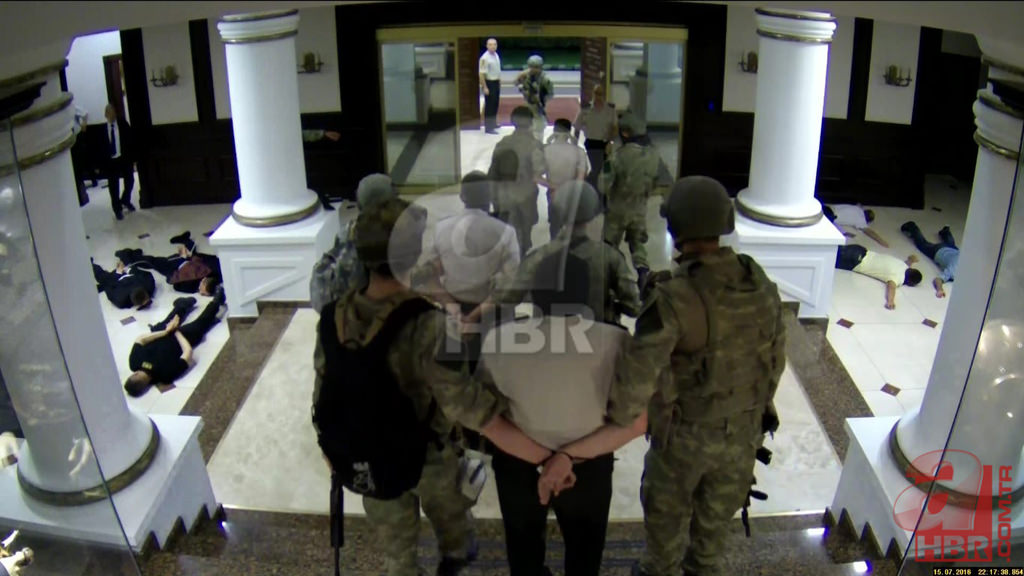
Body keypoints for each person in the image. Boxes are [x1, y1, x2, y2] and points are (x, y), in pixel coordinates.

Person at [312, 198, 558, 576]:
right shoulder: (429, 324)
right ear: (411, 255)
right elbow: (463, 404)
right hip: (428, 454)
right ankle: (455, 562)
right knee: (454, 531)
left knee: (397, 555)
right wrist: (532, 444)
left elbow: (322, 388)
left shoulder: (334, 316)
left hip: (366, 454)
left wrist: (330, 446)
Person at [607, 176, 786, 576]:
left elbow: (635, 382)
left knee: (663, 544)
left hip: (684, 443)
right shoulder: (758, 281)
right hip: (744, 436)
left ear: (675, 228)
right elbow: (775, 361)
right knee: (710, 543)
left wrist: (612, 421)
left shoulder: (673, 298)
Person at [477, 183, 646, 576]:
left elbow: (486, 410)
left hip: (519, 459)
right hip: (589, 455)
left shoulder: (500, 340)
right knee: (585, 552)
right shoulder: (619, 339)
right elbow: (635, 415)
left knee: (523, 549)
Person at [478, 181, 640, 328]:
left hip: (548, 339)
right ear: (593, 213)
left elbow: (509, 297)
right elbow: (633, 307)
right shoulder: (610, 257)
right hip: (596, 337)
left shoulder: (538, 257)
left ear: (559, 212)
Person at [411, 171, 520, 370]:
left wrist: (453, 308)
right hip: (491, 316)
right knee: (494, 370)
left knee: (453, 367)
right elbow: (510, 285)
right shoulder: (506, 232)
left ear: (462, 197)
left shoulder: (441, 228)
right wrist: (474, 316)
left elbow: (428, 277)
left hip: (452, 313)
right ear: (490, 197)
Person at [123, 290, 226, 397]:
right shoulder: (165, 376)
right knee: (199, 326)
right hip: (181, 339)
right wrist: (176, 331)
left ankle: (183, 305)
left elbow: (141, 339)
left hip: (160, 334)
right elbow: (188, 353)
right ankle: (216, 302)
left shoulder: (134, 363)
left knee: (168, 321)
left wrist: (166, 332)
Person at [602, 113, 660, 289]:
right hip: (639, 209)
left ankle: (612, 279)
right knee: (637, 243)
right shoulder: (653, 155)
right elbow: (655, 182)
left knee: (609, 245)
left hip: (617, 209)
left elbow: (603, 185)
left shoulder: (618, 156)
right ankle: (642, 273)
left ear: (625, 133)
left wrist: (606, 158)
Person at [489, 106, 546, 257]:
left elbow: (493, 173)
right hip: (526, 195)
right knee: (525, 233)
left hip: (505, 194)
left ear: (512, 121)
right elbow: (540, 170)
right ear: (531, 122)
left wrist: (493, 198)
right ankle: (522, 259)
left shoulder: (503, 143)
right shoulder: (535, 145)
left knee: (508, 234)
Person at [115, 231, 222, 296]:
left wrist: (186, 259)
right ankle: (130, 256)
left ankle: (128, 256)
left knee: (153, 262)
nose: (200, 292)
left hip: (175, 268)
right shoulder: (216, 273)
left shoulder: (192, 287)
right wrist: (189, 258)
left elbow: (175, 284)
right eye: (202, 290)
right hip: (183, 262)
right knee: (152, 261)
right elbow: (209, 260)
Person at [834, 244, 923, 310]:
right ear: (910, 282)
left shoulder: (903, 265)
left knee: (830, 248)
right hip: (855, 261)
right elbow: (891, 287)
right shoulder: (898, 277)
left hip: (860, 250)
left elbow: (909, 261)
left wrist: (912, 260)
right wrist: (890, 301)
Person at [543, 118, 589, 240]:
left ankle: (555, 246)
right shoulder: (579, 151)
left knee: (554, 226)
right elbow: (582, 176)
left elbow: (536, 175)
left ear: (554, 131)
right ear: (569, 131)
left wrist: (554, 187)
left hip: (553, 192)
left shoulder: (546, 150)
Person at [573, 84, 617, 190]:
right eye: (596, 93)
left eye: (601, 94)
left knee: (604, 171)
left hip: (605, 144)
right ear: (593, 94)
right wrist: (574, 145)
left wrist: (611, 142)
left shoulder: (610, 111)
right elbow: (577, 128)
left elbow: (615, 128)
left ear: (604, 95)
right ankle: (592, 189)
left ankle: (598, 190)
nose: (598, 96)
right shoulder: (586, 111)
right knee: (595, 169)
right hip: (591, 144)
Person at [901, 221, 960, 299]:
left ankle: (946, 231)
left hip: (954, 250)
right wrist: (940, 290)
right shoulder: (953, 271)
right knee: (922, 244)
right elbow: (938, 279)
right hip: (938, 251)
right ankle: (912, 227)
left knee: (950, 244)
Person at [100, 103, 135, 220]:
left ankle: (125, 200)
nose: (112, 115)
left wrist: (132, 158)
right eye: (109, 113)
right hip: (111, 161)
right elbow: (100, 148)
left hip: (124, 158)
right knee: (113, 186)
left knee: (130, 180)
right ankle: (117, 209)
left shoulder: (123, 124)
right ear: (106, 115)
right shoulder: (102, 130)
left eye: (113, 113)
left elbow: (130, 140)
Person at [514, 55, 554, 142]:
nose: (533, 69)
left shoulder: (545, 79)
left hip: (537, 107)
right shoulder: (526, 75)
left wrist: (541, 98)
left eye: (536, 67)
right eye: (531, 67)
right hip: (528, 104)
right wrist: (522, 86)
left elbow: (550, 94)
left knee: (538, 131)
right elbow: (516, 83)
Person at [824, 204, 889, 247]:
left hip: (826, 208)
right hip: (829, 216)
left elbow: (859, 205)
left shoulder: (857, 208)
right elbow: (871, 233)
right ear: (868, 221)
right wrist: (883, 242)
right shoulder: (862, 221)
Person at [478, 38, 502, 134]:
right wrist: (485, 87)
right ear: (487, 46)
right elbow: (481, 74)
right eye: (490, 44)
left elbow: (497, 70)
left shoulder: (496, 55)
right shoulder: (484, 58)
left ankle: (493, 123)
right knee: (490, 106)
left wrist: (499, 81)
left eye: (494, 44)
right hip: (489, 83)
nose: (493, 46)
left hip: (496, 82)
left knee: (495, 104)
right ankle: (488, 127)